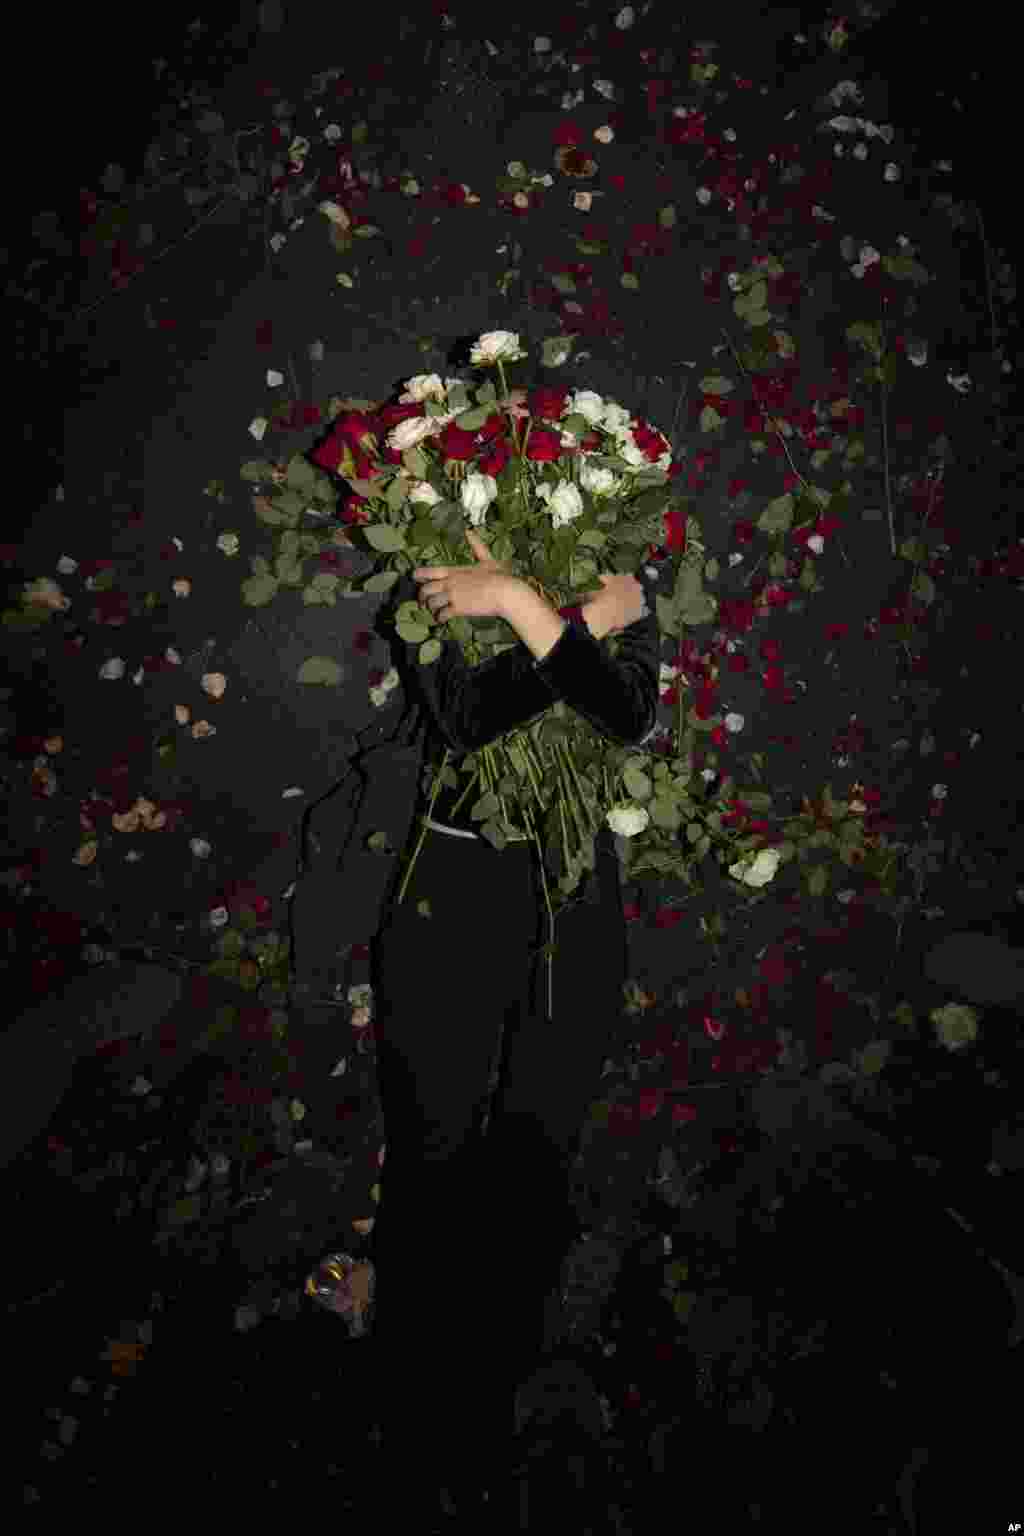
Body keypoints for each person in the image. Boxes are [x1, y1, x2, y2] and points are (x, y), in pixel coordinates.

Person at [363, 554, 662, 1516]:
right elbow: (469, 715)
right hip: (450, 894)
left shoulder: (618, 571)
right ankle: (410, 1422)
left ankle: (491, 1414)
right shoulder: (435, 580)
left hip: (577, 897)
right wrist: (568, 625)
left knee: (535, 1154)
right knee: (432, 1154)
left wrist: (533, 608)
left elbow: (628, 716)